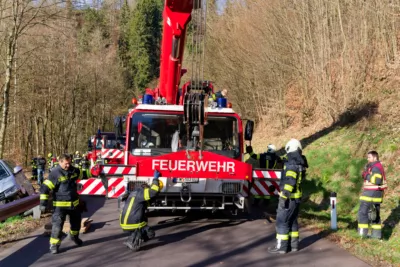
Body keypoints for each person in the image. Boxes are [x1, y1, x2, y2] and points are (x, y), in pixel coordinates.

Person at [268, 138, 307, 254]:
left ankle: (281, 247)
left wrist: (284, 197)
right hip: (296, 198)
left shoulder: (291, 163)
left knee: (282, 221)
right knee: (292, 221)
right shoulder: (300, 162)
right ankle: (294, 245)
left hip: (288, 199)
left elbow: (290, 181)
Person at [39, 154, 84, 254]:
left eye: (69, 163)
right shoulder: (55, 173)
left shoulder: (74, 170)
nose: (68, 165)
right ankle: (54, 245)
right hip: (60, 206)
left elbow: (83, 174)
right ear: (60, 162)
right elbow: (45, 188)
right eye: (66, 164)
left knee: (76, 224)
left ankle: (74, 237)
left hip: (74, 205)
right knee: (57, 226)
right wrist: (43, 203)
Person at [119, 170, 162, 251]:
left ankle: (136, 237)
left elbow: (147, 203)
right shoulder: (141, 193)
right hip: (132, 222)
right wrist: (155, 179)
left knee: (144, 227)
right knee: (150, 233)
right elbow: (153, 192)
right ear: (145, 187)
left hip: (126, 221)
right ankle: (132, 241)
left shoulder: (135, 193)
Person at [358, 151, 387, 239]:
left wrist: (366, 175)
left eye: (369, 157)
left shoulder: (376, 167)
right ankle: (376, 236)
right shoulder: (376, 166)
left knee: (363, 213)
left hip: (370, 194)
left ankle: (362, 235)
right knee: (375, 215)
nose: (368, 159)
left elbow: (377, 180)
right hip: (376, 194)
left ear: (375, 157)